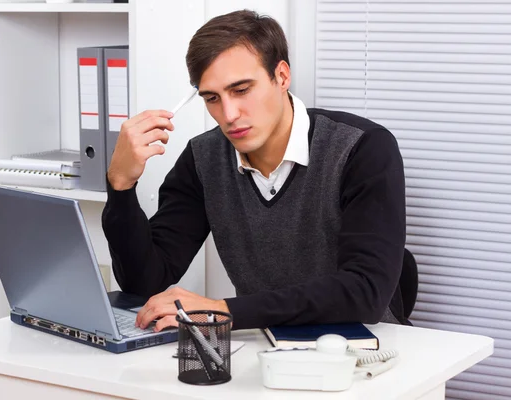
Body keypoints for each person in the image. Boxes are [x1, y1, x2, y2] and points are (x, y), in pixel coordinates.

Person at [102, 9, 406, 332]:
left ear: (282, 76)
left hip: (369, 354)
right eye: (212, 98)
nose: (229, 114)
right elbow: (144, 282)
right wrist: (120, 186)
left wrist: (221, 310)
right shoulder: (203, 159)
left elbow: (365, 292)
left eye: (241, 90)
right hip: (264, 354)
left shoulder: (362, 149)